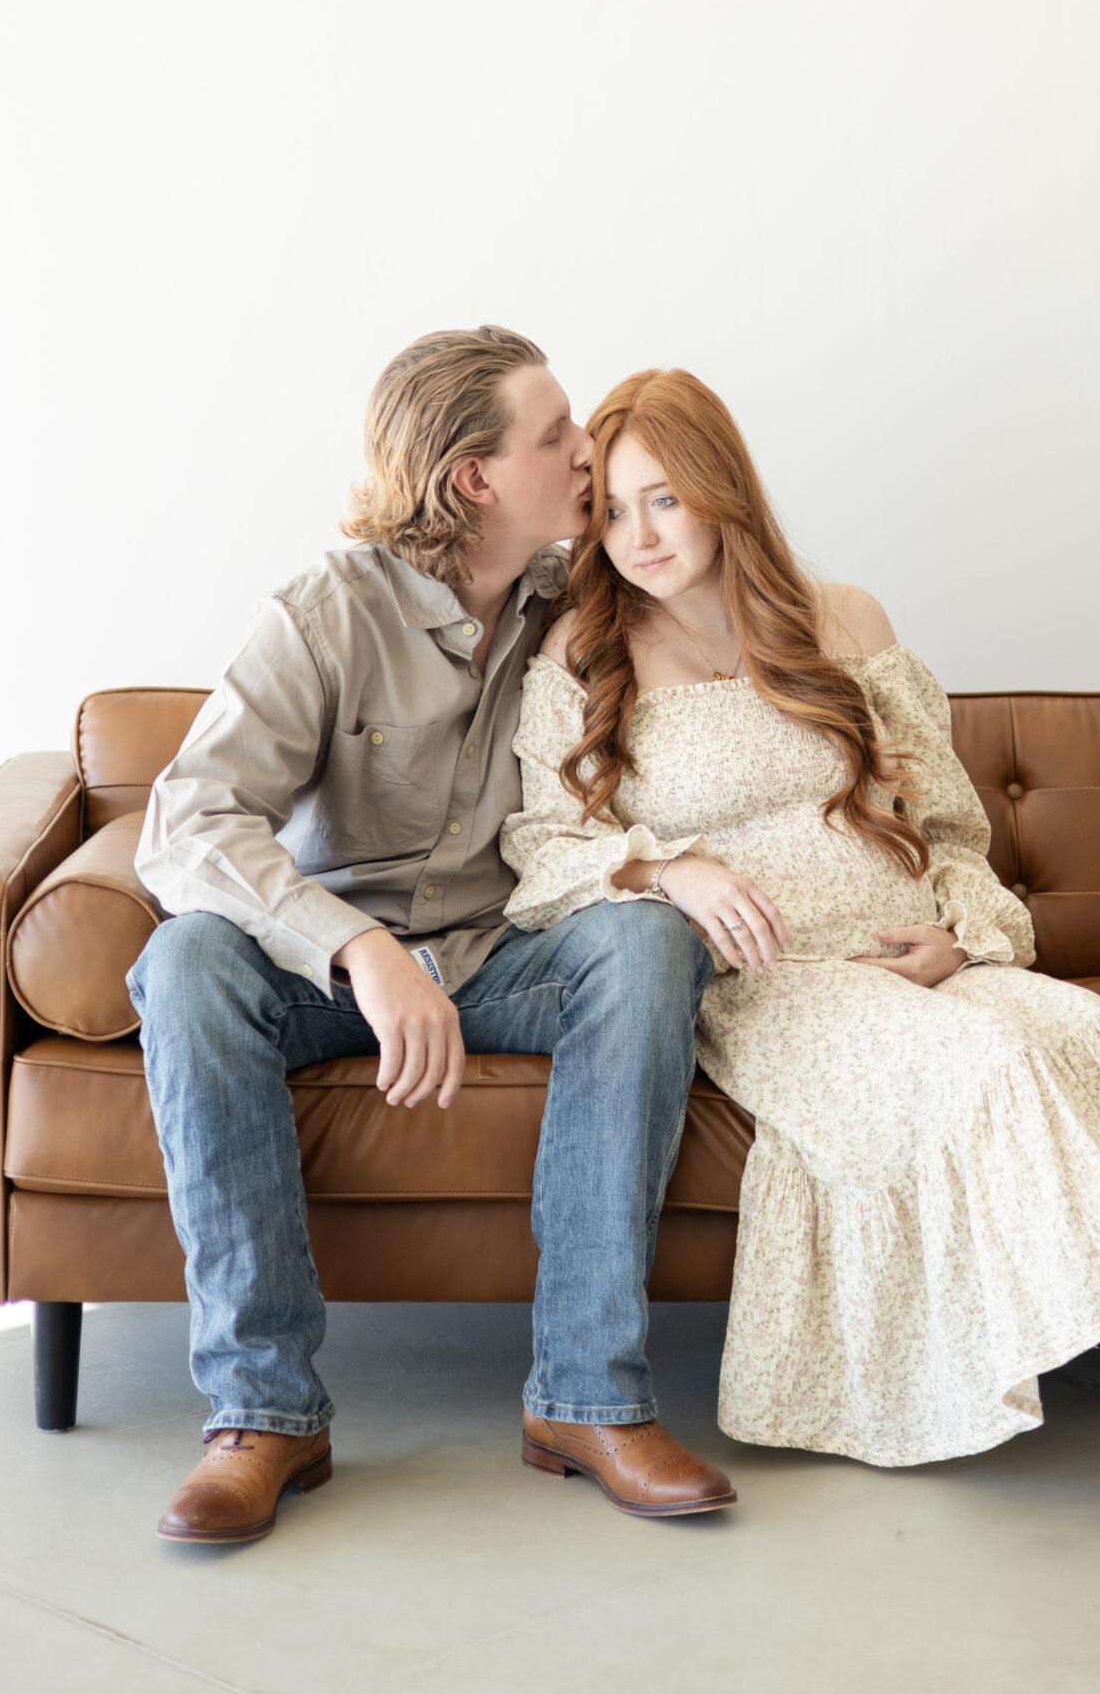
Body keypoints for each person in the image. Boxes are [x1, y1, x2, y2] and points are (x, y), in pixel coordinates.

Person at [500, 368, 1100, 1556]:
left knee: (1080, 1036)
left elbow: (947, 825)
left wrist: (962, 937)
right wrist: (670, 868)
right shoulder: (582, 652)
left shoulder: (846, 623)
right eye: (615, 510)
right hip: (774, 982)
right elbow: (543, 847)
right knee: (989, 1065)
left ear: (724, 493)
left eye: (665, 501)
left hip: (918, 957)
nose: (637, 538)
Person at [129, 327, 737, 1547]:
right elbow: (185, 822)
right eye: (557, 433)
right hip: (326, 966)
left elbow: (747, 641)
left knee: (647, 943)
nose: (587, 452)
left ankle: (588, 1399)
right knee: (187, 960)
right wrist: (356, 947)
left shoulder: (586, 599)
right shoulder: (323, 613)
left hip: (506, 948)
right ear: (474, 480)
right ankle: (263, 1412)